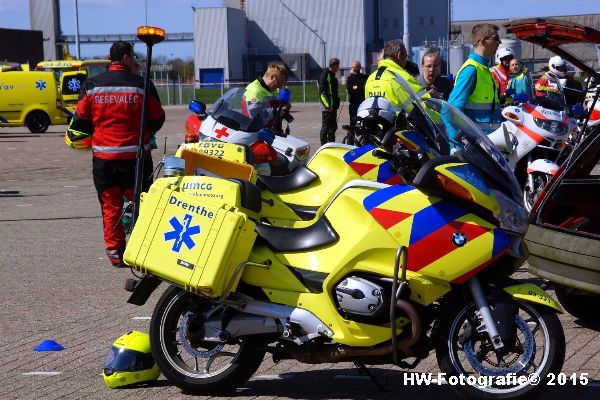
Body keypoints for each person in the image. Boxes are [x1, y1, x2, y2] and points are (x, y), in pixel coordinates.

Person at [66, 41, 165, 268]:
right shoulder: (142, 85)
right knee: (139, 203)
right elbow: (157, 118)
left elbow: (80, 121)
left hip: (104, 159)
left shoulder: (92, 85)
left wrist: (101, 132)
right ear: (127, 57)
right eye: (134, 57)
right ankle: (140, 250)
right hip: (136, 158)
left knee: (110, 206)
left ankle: (115, 252)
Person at [449, 23, 502, 134]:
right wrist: (456, 147)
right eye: (496, 38)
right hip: (477, 145)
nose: (500, 42)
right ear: (482, 41)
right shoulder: (471, 70)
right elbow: (451, 112)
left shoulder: (484, 70)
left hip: (489, 143)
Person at [365, 39, 427, 114]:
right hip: (397, 125)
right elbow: (423, 107)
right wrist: (439, 120)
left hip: (373, 124)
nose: (406, 61)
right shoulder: (403, 77)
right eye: (406, 56)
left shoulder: (371, 78)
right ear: (399, 55)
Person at [319, 57, 340, 145]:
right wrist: (328, 106)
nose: (338, 68)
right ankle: (323, 146)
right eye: (338, 66)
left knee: (333, 127)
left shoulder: (333, 76)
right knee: (325, 128)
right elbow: (322, 93)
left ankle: (332, 145)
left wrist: (336, 103)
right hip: (327, 108)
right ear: (334, 65)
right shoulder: (325, 74)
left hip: (333, 107)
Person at [346, 60, 368, 125]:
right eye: (353, 67)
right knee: (353, 119)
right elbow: (350, 90)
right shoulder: (350, 78)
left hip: (363, 103)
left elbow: (365, 87)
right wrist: (360, 87)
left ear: (360, 67)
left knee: (364, 119)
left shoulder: (365, 77)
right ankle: (351, 134)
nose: (354, 69)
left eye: (356, 67)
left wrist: (356, 87)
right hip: (353, 103)